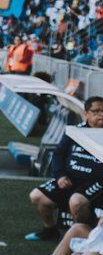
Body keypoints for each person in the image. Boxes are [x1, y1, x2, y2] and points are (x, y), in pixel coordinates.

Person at [26, 97, 103, 241]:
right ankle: (50, 230)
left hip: (96, 182)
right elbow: (58, 154)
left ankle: (78, 240)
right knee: (37, 196)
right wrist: (60, 176)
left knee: (77, 202)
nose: (101, 114)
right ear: (86, 113)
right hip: (69, 178)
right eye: (96, 111)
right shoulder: (75, 131)